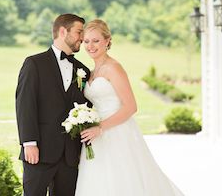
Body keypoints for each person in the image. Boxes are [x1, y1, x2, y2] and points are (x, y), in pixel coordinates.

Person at [75, 19, 184, 195]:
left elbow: (131, 107)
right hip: (96, 136)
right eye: (86, 41)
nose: (90, 46)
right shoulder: (91, 72)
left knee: (122, 181)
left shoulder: (114, 68)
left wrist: (100, 128)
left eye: (96, 40)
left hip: (117, 132)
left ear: (107, 40)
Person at [16, 13, 92, 196]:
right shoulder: (34, 63)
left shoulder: (83, 70)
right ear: (63, 31)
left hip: (69, 155)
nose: (82, 38)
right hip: (39, 151)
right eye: (79, 32)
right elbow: (25, 105)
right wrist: (29, 143)